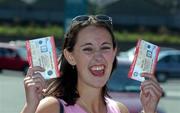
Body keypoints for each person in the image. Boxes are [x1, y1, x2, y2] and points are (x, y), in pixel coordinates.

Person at [21, 15, 163, 113]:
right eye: (88, 49)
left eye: (105, 48)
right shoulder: (53, 107)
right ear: (70, 57)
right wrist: (30, 107)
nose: (98, 57)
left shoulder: (120, 110)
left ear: (114, 52)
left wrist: (149, 110)